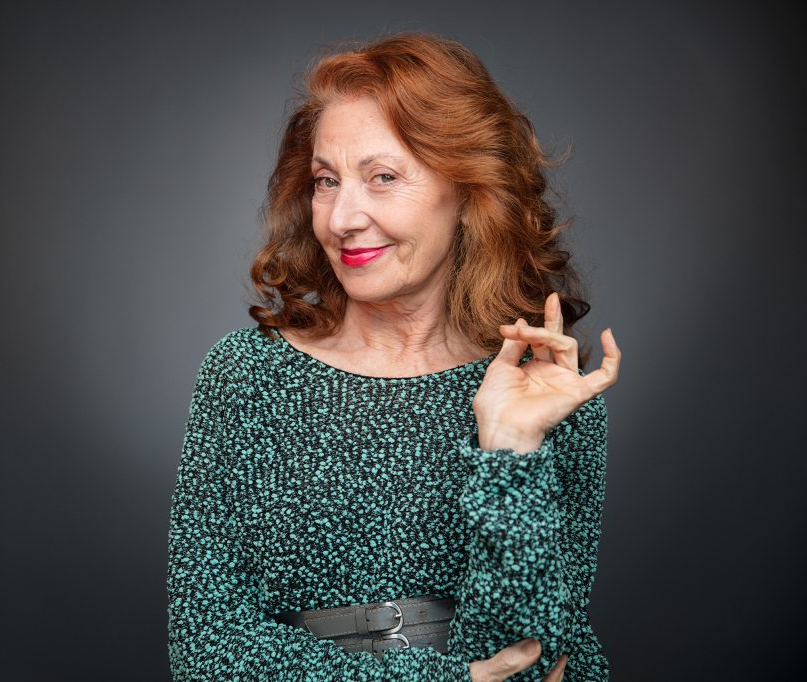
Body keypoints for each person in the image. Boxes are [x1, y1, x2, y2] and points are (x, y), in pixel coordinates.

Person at [167, 32, 621, 682]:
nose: (342, 218)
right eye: (327, 181)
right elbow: (207, 651)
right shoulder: (246, 376)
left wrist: (511, 449)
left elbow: (533, 660)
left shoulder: (546, 395)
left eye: (383, 177)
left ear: (468, 191)